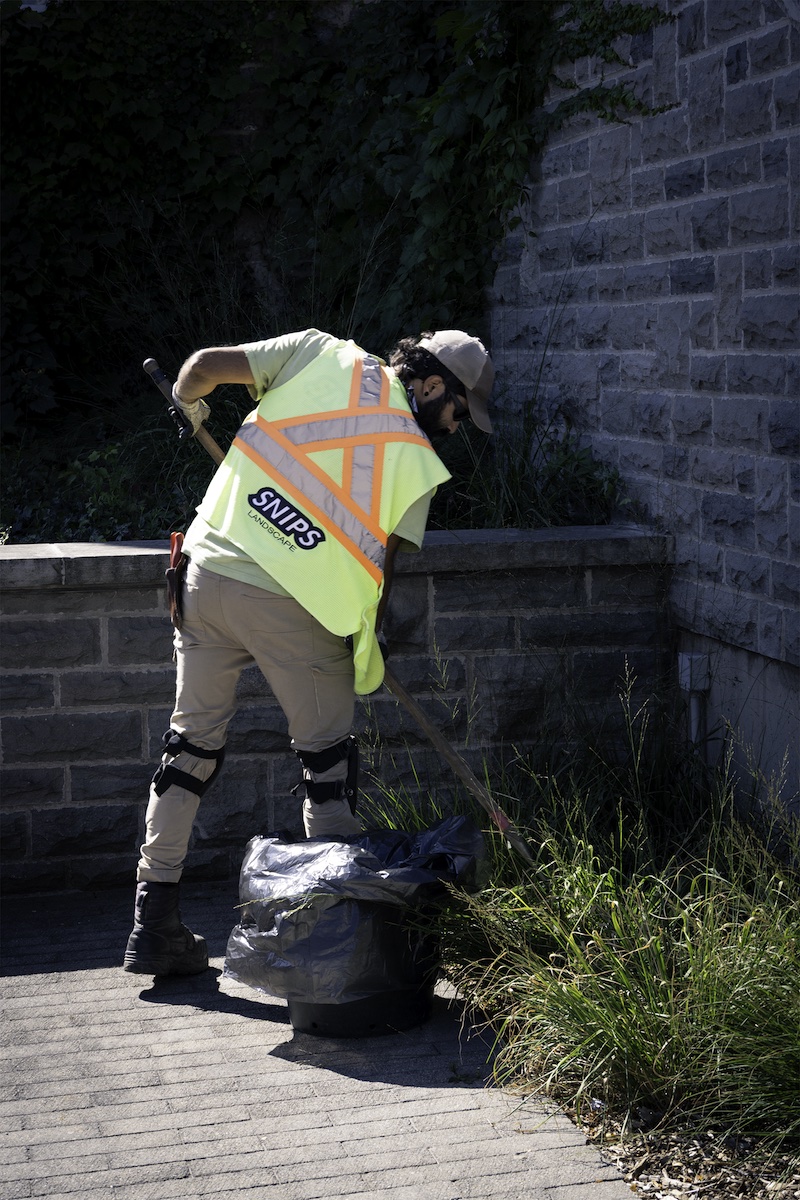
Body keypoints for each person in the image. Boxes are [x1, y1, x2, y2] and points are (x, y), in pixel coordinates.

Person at [123, 327, 495, 976]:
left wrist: (189, 405)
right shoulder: (416, 463)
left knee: (190, 751)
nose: (457, 427)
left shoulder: (325, 351)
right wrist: (364, 641)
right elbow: (381, 579)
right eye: (460, 411)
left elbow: (203, 365)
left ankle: (152, 926)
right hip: (296, 607)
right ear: (433, 385)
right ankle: (337, 953)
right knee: (327, 766)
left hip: (207, 571)